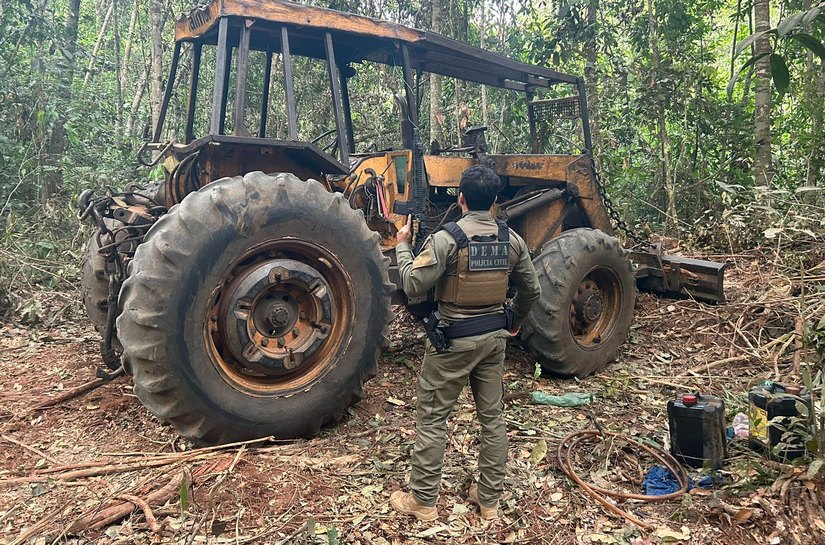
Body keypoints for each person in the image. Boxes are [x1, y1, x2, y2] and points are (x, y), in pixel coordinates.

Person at [389, 164, 541, 522]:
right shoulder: (511, 240)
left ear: (460, 200)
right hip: (493, 341)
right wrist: (513, 322)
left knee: (432, 420)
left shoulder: (448, 238)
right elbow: (531, 290)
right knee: (492, 419)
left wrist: (402, 246)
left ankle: (424, 501)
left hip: (452, 342)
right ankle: (489, 501)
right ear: (495, 202)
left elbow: (412, 285)